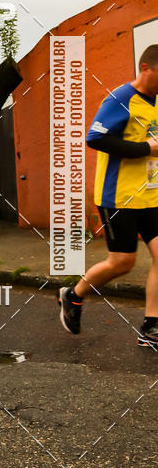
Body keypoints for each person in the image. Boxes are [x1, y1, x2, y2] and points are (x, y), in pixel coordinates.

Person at [57, 44, 158, 346]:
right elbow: (95, 138)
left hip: (151, 195)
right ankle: (73, 295)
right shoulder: (121, 99)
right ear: (146, 68)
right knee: (122, 263)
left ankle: (151, 327)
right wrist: (146, 148)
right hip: (118, 197)